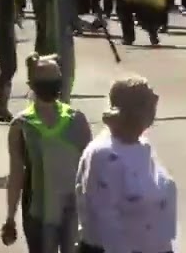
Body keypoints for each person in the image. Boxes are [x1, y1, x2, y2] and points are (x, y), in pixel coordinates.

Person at [1, 54, 93, 253]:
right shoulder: (76, 120)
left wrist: (10, 217)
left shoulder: (21, 124)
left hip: (39, 212)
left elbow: (16, 175)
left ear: (31, 85)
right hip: (69, 211)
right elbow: (91, 172)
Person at [75, 74, 176, 253]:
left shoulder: (142, 146)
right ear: (133, 111)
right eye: (149, 102)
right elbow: (107, 223)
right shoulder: (105, 155)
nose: (156, 102)